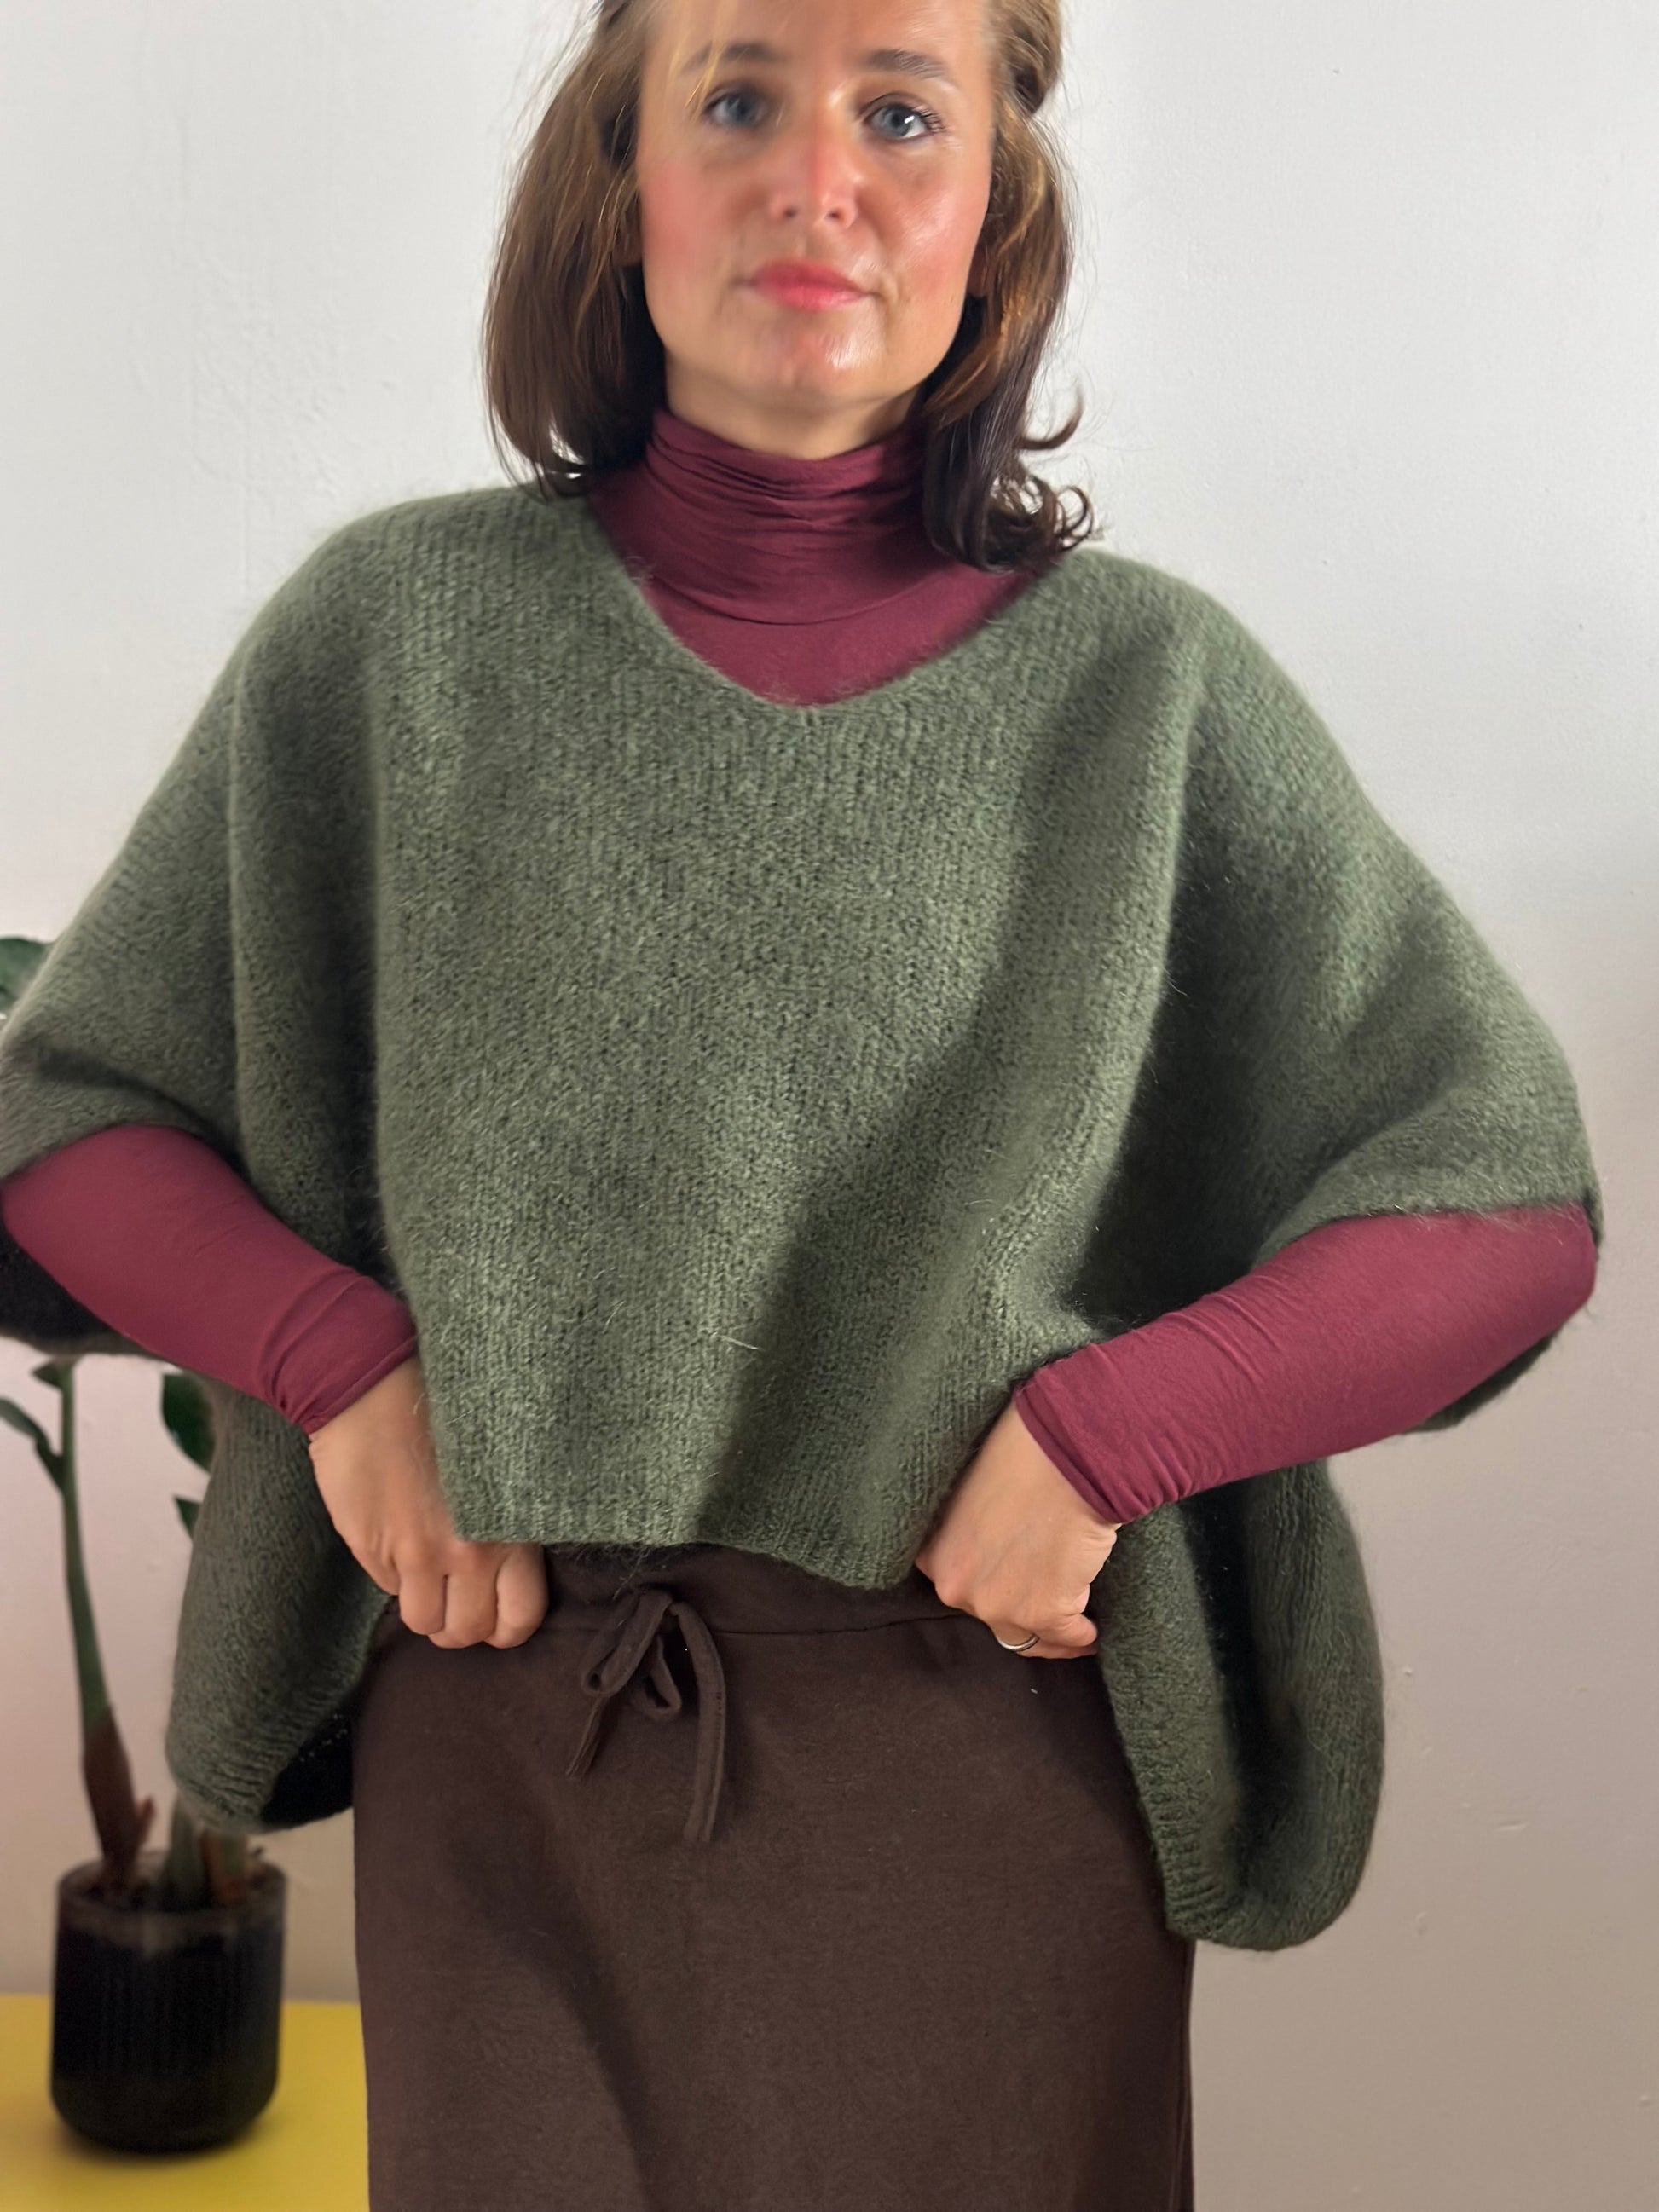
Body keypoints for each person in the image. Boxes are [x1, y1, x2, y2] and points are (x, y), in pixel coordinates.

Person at [0, 2, 1602, 2206]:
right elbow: (67, 1110)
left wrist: (1108, 1431)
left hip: (996, 1764)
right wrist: (335, 1359)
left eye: (901, 111)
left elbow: (1502, 1206)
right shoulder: (392, 643)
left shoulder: (1149, 699)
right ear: (620, 182)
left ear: (994, 213)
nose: (816, 178)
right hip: (507, 1730)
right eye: (737, 95)